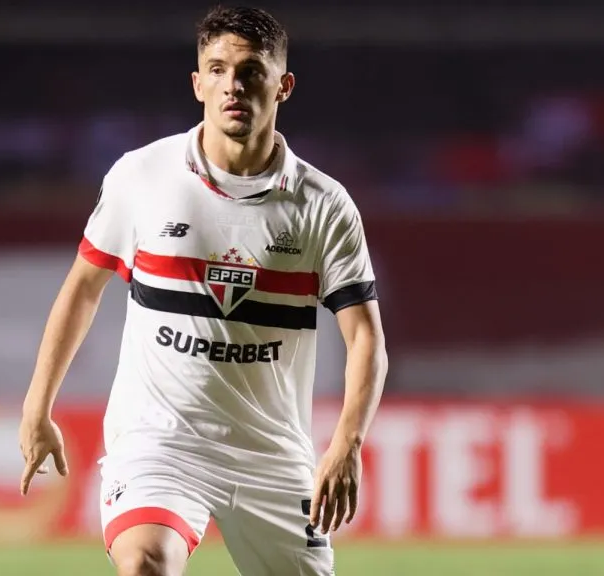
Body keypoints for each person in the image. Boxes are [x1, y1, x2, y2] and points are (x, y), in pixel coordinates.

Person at [19, 6, 387, 575]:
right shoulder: (142, 177)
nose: (232, 86)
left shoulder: (323, 205)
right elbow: (82, 289)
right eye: (216, 70)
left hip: (271, 455)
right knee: (145, 564)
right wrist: (37, 405)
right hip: (160, 444)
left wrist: (348, 443)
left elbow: (364, 338)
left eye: (250, 72)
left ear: (283, 85)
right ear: (197, 83)